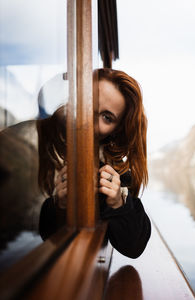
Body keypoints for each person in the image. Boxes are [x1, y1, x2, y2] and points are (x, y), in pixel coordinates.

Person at [38, 68, 151, 258]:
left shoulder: (109, 167)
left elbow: (133, 247)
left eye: (107, 117)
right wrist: (57, 205)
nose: (90, 120)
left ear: (115, 130)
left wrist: (117, 203)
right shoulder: (35, 139)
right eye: (88, 104)